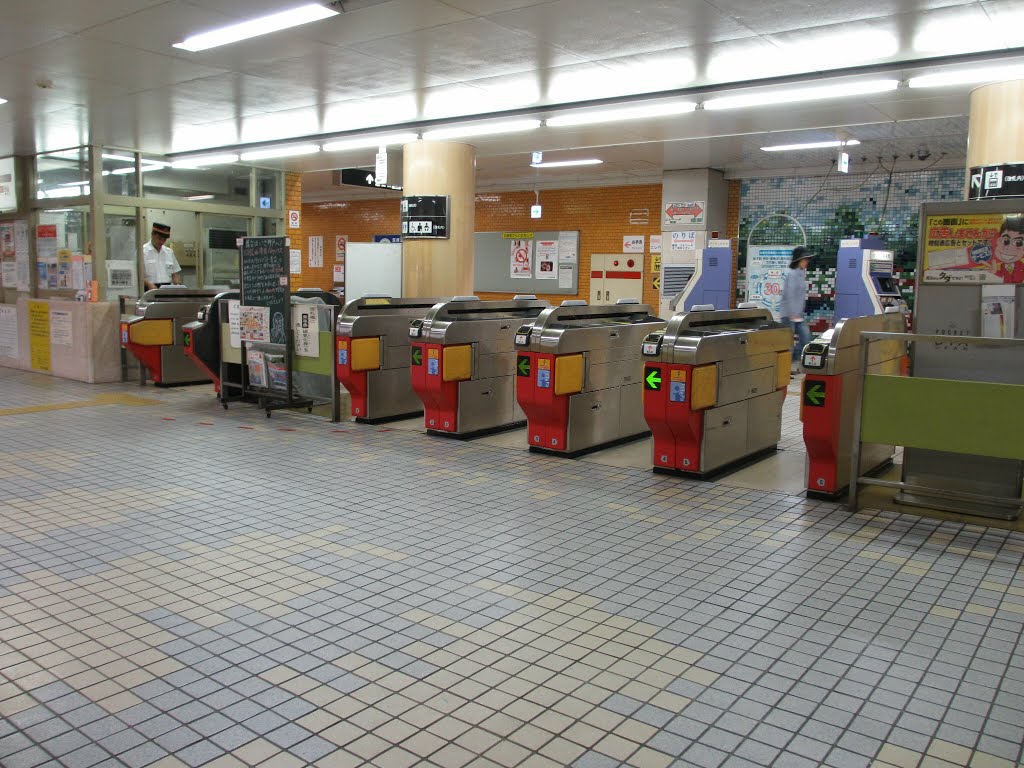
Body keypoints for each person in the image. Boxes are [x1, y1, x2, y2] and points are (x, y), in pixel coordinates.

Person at [781, 246, 812, 373]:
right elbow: (789, 294)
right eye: (805, 259)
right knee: (788, 342)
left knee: (806, 339)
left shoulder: (800, 273)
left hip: (798, 314)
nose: (807, 262)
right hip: (789, 314)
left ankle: (791, 363)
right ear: (798, 260)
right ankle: (785, 368)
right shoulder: (791, 274)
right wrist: (792, 313)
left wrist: (799, 312)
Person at [143, 222, 181, 290]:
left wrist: (177, 286)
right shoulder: (143, 251)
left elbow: (175, 273)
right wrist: (148, 284)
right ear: (152, 235)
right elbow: (136, 275)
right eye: (159, 238)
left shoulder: (169, 252)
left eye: (164, 239)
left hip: (167, 289)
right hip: (149, 288)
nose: (161, 242)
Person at [988, 216, 1024, 284]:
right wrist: (995, 272)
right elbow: (1002, 275)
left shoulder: (1021, 266)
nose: (1009, 248)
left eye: (1018, 243)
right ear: (998, 241)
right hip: (1005, 289)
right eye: (1006, 241)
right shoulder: (1002, 265)